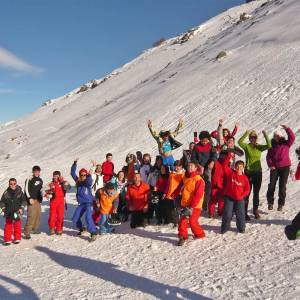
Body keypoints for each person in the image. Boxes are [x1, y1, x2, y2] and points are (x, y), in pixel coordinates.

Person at [238, 129, 271, 220]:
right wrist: (246, 133)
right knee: (247, 193)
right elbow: (239, 142)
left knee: (256, 193)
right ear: (249, 138)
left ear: (256, 138)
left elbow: (269, 145)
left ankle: (255, 210)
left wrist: (265, 134)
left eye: (254, 137)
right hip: (248, 172)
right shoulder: (247, 146)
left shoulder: (259, 147)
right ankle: (244, 212)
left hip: (258, 173)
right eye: (251, 137)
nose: (253, 139)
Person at [266, 125, 295, 211]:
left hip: (285, 167)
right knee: (271, 185)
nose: (277, 137)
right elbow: (268, 157)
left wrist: (287, 128)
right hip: (274, 168)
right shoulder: (271, 145)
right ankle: (270, 202)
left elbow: (292, 137)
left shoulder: (286, 143)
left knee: (282, 186)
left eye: (278, 136)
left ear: (281, 136)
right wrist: (271, 165)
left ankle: (280, 204)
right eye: (275, 136)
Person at [178, 162, 206, 246]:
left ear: (195, 168)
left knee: (192, 221)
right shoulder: (185, 177)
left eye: (191, 166)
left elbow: (199, 194)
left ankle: (200, 234)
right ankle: (182, 237)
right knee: (183, 221)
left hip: (195, 205)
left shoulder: (199, 180)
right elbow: (180, 188)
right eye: (188, 165)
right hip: (185, 203)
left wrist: (191, 206)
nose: (189, 167)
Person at [221, 155, 250, 234]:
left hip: (239, 199)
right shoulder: (230, 173)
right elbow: (224, 165)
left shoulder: (245, 178)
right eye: (237, 166)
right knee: (227, 213)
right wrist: (230, 155)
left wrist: (242, 195)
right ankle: (225, 228)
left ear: (243, 168)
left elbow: (247, 189)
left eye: (241, 167)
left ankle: (241, 228)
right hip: (229, 197)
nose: (239, 168)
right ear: (235, 166)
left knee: (240, 214)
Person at [71, 158, 97, 242]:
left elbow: (89, 180)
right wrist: (75, 163)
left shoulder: (87, 182)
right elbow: (72, 173)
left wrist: (92, 168)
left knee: (88, 217)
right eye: (81, 175)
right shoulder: (78, 182)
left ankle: (93, 233)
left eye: (84, 175)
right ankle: (82, 228)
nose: (83, 176)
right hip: (81, 204)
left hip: (89, 203)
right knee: (75, 218)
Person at [191, 131, 218, 211]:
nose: (205, 142)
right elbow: (193, 158)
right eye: (203, 140)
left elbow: (214, 155)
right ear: (200, 139)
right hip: (198, 168)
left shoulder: (210, 146)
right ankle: (196, 202)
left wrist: (212, 162)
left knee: (208, 185)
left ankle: (205, 202)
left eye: (206, 140)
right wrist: (198, 165)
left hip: (207, 168)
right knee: (198, 185)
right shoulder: (196, 147)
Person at [0, 178, 26, 245]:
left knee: (17, 225)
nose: (13, 185)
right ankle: (7, 239)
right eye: (11, 184)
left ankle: (17, 238)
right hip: (9, 212)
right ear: (9, 184)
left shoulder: (19, 192)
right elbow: (2, 201)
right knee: (8, 226)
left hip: (17, 211)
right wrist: (3, 208)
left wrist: (21, 208)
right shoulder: (6, 192)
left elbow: (24, 201)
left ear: (16, 183)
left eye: (14, 183)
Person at [45, 171, 70, 235]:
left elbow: (68, 188)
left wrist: (63, 181)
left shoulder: (63, 183)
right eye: (54, 176)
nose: (56, 177)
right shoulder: (51, 183)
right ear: (53, 176)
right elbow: (43, 190)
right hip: (53, 201)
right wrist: (46, 194)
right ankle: (52, 228)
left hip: (61, 202)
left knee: (60, 216)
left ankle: (59, 229)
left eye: (57, 176)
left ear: (59, 176)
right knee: (52, 216)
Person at [162, 160, 185, 225]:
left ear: (181, 166)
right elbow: (168, 184)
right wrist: (165, 193)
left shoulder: (184, 174)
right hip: (170, 194)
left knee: (178, 209)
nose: (177, 168)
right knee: (171, 209)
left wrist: (181, 192)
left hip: (179, 194)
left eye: (178, 166)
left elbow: (184, 185)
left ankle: (179, 221)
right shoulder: (172, 174)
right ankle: (173, 221)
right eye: (176, 166)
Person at [24, 165, 43, 239]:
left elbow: (41, 190)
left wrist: (44, 195)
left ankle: (34, 229)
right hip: (31, 200)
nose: (37, 172)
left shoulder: (40, 180)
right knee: (31, 216)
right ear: (33, 172)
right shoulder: (30, 178)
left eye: (38, 171)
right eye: (35, 171)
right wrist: (29, 198)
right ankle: (27, 232)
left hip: (38, 200)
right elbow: (26, 189)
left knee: (38, 215)